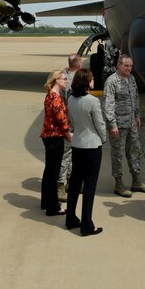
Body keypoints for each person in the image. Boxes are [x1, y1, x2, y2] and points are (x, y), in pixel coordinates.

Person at [103, 54, 145, 197]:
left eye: (131, 66)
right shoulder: (112, 81)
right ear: (119, 65)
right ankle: (119, 184)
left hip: (131, 123)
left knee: (135, 152)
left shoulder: (131, 78)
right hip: (118, 125)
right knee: (118, 154)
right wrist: (112, 124)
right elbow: (108, 105)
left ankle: (136, 181)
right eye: (126, 66)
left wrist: (137, 115)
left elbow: (135, 98)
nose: (129, 68)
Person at [66, 69, 106, 236]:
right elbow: (100, 124)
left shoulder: (71, 99)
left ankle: (70, 218)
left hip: (77, 144)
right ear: (86, 82)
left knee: (75, 182)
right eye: (91, 79)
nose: (93, 80)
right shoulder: (92, 101)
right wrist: (103, 139)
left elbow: (73, 121)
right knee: (89, 186)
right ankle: (87, 225)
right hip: (91, 146)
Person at [40, 70, 72, 216]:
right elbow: (61, 121)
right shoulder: (56, 98)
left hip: (48, 136)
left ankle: (46, 201)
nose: (66, 81)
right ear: (57, 80)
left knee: (49, 171)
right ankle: (53, 207)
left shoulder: (49, 96)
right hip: (55, 137)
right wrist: (68, 135)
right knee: (53, 172)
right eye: (64, 79)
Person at [57, 54, 83, 202]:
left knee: (72, 154)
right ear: (79, 65)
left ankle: (70, 182)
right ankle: (61, 184)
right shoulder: (72, 81)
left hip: (70, 122)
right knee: (67, 154)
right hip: (69, 123)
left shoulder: (63, 77)